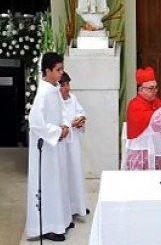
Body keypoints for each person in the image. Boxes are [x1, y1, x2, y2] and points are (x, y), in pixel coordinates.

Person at [25, 52, 73, 242]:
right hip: (45, 148)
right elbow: (36, 123)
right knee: (49, 184)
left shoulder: (54, 89)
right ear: (47, 71)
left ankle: (61, 219)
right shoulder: (43, 93)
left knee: (59, 181)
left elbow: (63, 112)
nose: (61, 73)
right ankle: (47, 226)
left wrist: (65, 126)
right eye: (58, 70)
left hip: (56, 146)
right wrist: (56, 131)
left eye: (62, 69)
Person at [123, 66, 161, 170]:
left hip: (159, 151)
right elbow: (154, 122)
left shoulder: (158, 103)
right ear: (141, 89)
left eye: (156, 87)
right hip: (141, 152)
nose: (155, 91)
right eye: (151, 88)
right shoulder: (134, 104)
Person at [59, 71, 89, 217]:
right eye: (63, 85)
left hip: (74, 143)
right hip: (63, 144)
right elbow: (59, 122)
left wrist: (81, 120)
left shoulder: (73, 98)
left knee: (76, 172)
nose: (67, 88)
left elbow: (81, 112)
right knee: (66, 175)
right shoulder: (56, 102)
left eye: (68, 84)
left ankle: (78, 205)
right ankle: (68, 208)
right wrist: (71, 124)